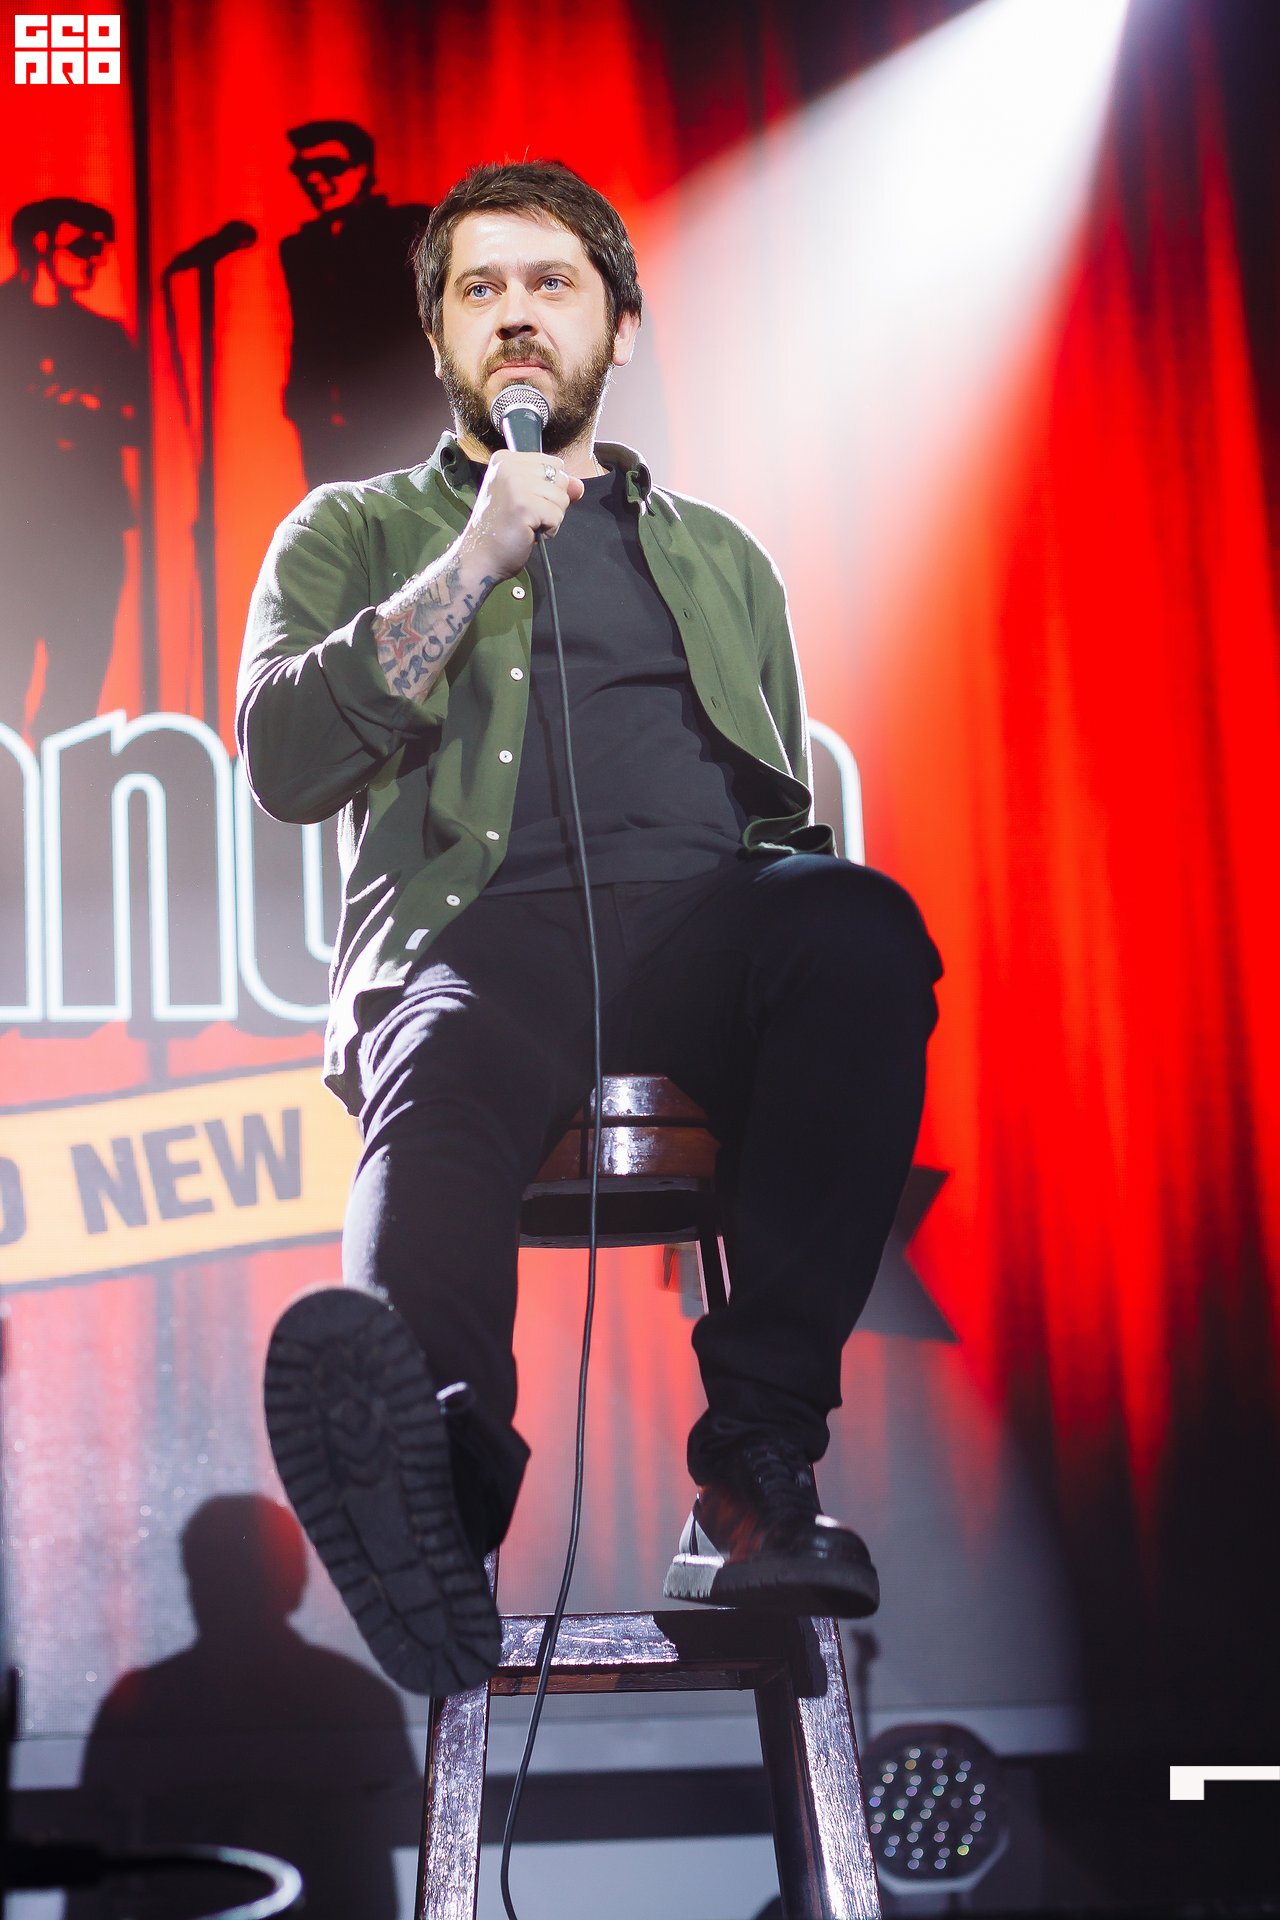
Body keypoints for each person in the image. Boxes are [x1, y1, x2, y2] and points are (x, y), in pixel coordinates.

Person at [239, 160, 942, 1701]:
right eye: (476, 289)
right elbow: (286, 762)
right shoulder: (350, 529)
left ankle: (755, 1460)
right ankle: (437, 1481)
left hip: (703, 930)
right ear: (438, 337)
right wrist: (473, 559)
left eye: (549, 283)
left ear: (617, 325)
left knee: (857, 930)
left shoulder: (722, 555)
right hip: (480, 936)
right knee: (435, 1049)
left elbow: (780, 799)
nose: (514, 315)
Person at [0, 197, 138, 740]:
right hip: (14, 528)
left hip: (91, 528)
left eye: (100, 249)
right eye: (82, 247)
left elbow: (138, 423)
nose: (94, 259)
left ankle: (63, 777)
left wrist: (84, 410)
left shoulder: (102, 334)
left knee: (81, 669)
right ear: (39, 246)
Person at [280, 119, 449, 484]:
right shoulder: (300, 248)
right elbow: (306, 329)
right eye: (304, 170)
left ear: (363, 169)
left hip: (398, 409)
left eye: (329, 167)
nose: (315, 180)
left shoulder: (407, 226)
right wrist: (301, 400)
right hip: (324, 415)